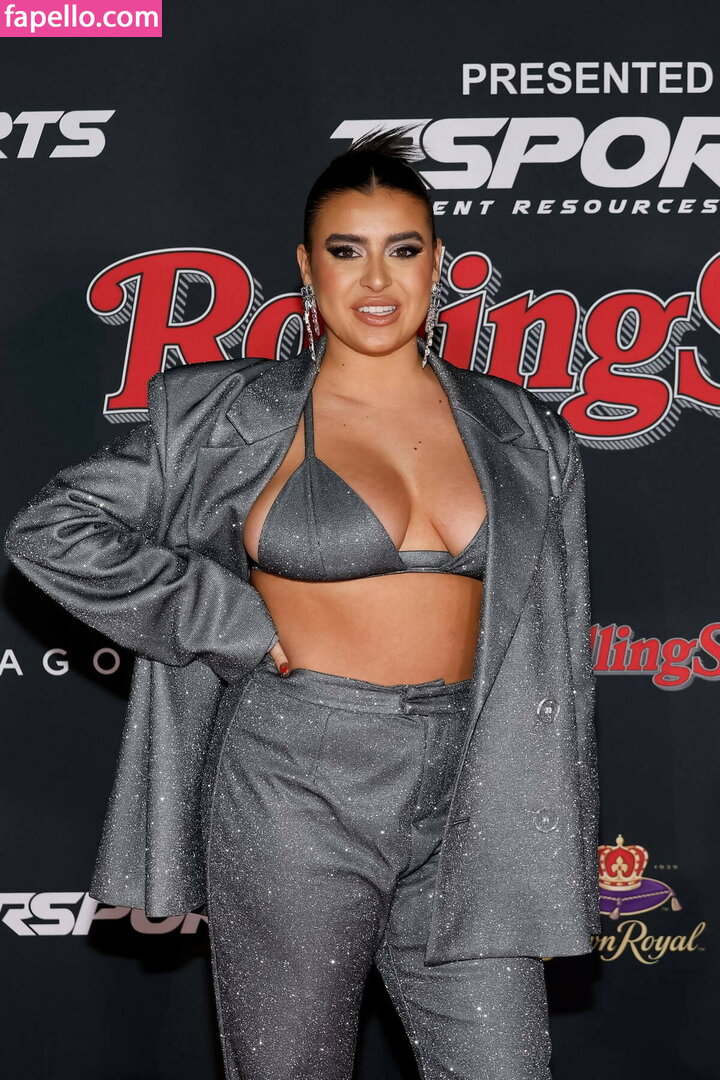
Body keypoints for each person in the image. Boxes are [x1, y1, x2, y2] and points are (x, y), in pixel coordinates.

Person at [4, 127, 600, 1080]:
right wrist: (225, 618)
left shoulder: (525, 429)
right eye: (346, 250)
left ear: (440, 264)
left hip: (479, 788)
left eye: (403, 249)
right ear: (306, 267)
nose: (377, 279)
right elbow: (52, 529)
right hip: (296, 780)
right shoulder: (227, 413)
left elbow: (557, 655)